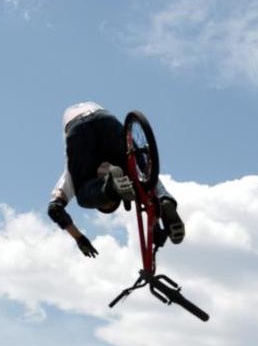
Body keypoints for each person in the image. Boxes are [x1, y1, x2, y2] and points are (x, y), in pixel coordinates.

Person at [47, 102, 185, 257]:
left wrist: (79, 238)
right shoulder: (76, 172)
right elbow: (54, 210)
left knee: (84, 197)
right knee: (142, 173)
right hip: (104, 117)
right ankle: (163, 198)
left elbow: (55, 208)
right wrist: (156, 224)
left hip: (77, 128)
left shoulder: (72, 175)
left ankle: (112, 188)